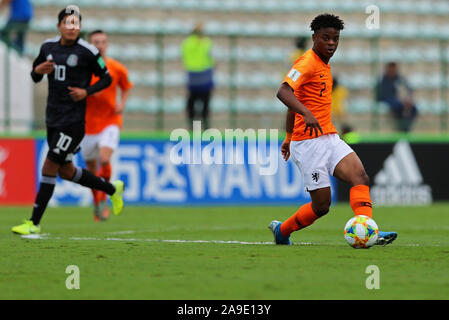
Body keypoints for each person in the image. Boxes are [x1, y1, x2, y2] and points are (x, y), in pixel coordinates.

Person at [269, 13, 397, 246]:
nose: (331, 43)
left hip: (328, 136)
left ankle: (367, 229)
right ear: (314, 37)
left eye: (335, 39)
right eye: (326, 38)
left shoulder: (324, 65)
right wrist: (304, 118)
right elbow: (284, 92)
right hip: (308, 144)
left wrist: (288, 135)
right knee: (322, 206)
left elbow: (293, 103)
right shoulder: (306, 63)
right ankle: (282, 231)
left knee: (359, 176)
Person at [11, 7, 124, 235]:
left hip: (73, 123)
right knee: (67, 172)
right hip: (52, 118)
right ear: (59, 26)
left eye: (75, 24)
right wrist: (38, 70)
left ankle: (33, 222)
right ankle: (112, 189)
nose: (71, 28)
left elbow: (107, 78)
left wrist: (86, 91)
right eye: (67, 23)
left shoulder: (88, 51)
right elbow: (34, 75)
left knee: (49, 166)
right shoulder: (48, 47)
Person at [81, 29, 133, 221]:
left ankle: (104, 197)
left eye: (103, 42)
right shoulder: (83, 68)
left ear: (107, 44)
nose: (100, 45)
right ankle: (97, 201)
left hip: (110, 121)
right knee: (90, 169)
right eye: (96, 42)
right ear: (90, 45)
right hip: (87, 126)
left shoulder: (116, 68)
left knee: (104, 159)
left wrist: (122, 103)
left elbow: (126, 87)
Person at [181, 23, 215, 130]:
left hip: (192, 76)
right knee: (205, 102)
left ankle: (192, 125)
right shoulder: (207, 42)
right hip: (205, 76)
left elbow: (184, 57)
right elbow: (211, 58)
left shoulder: (186, 43)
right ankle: (205, 125)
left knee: (192, 101)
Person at [376, 62, 418, 132]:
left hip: (399, 100)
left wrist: (407, 98)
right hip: (388, 99)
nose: (392, 71)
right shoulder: (383, 79)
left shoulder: (399, 78)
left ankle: (406, 126)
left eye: (394, 69)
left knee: (413, 108)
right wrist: (401, 101)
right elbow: (384, 94)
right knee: (399, 106)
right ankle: (402, 126)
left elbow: (408, 89)